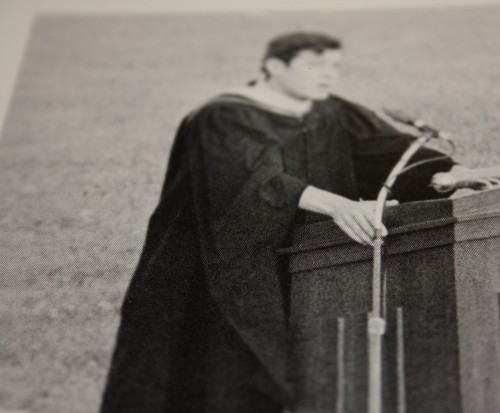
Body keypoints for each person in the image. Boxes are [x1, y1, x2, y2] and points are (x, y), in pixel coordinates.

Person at [100, 32, 458, 413]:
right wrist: (338, 206)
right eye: (313, 65)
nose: (327, 76)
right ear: (274, 67)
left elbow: (385, 152)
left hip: (300, 262)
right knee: (217, 377)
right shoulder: (223, 115)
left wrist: (452, 172)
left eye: (334, 66)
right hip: (213, 269)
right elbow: (252, 178)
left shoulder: (329, 111)